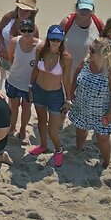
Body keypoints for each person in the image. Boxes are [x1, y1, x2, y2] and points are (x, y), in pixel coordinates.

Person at [67, 38, 111, 169]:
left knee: (102, 138)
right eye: (90, 48)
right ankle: (79, 148)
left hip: (102, 112)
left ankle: (106, 161)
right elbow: (75, 77)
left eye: (93, 50)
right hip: (82, 106)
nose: (90, 51)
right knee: (81, 129)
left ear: (104, 54)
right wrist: (71, 93)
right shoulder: (86, 62)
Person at [30, 25, 73, 166]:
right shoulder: (41, 51)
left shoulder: (66, 58)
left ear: (62, 41)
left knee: (52, 129)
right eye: (52, 39)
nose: (55, 42)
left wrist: (68, 100)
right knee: (41, 122)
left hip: (55, 95)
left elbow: (66, 80)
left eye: (58, 40)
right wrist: (30, 87)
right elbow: (36, 69)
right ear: (48, 38)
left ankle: (58, 150)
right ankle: (43, 146)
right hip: (39, 91)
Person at [2, 17, 40, 148]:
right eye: (24, 30)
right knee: (14, 106)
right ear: (20, 30)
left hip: (29, 84)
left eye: (30, 30)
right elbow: (10, 58)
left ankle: (23, 129)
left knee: (27, 107)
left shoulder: (40, 45)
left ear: (34, 30)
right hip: (14, 80)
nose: (27, 33)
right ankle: (12, 127)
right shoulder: (14, 42)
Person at [58, 0, 104, 71]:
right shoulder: (66, 22)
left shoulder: (98, 23)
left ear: (92, 10)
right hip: (66, 70)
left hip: (88, 73)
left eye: (87, 10)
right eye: (82, 9)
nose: (84, 12)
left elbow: (108, 43)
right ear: (76, 8)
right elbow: (53, 40)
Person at [0, 0, 39, 72]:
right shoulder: (8, 17)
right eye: (20, 9)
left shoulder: (33, 30)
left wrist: (9, 57)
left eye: (26, 11)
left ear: (31, 13)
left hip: (18, 66)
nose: (22, 12)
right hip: (0, 57)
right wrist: (1, 44)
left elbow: (32, 52)